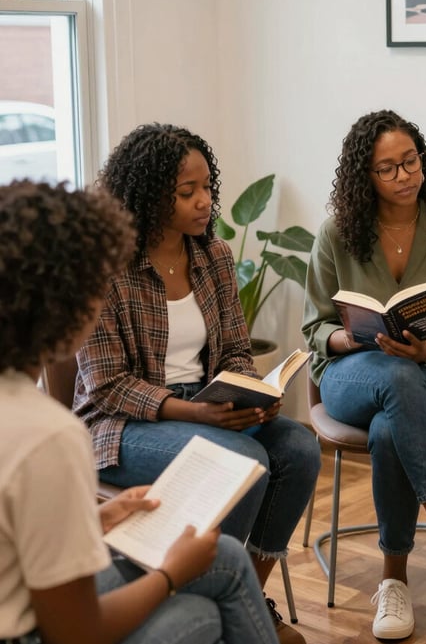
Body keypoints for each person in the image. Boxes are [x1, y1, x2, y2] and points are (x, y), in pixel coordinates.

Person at [0, 180, 280, 644]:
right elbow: (75, 632)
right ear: (66, 304)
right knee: (201, 609)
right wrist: (171, 574)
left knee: (221, 569)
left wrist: (95, 519)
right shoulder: (47, 435)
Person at [72, 123, 320, 644]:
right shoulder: (105, 268)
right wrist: (194, 413)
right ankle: (204, 594)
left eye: (208, 187)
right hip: (121, 424)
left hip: (207, 407)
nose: (205, 201)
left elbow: (233, 350)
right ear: (148, 195)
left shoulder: (214, 257)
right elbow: (107, 385)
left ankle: (248, 595)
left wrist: (254, 396)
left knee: (298, 446)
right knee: (244, 464)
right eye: (187, 193)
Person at [302, 109, 426, 640]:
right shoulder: (336, 233)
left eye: (411, 162)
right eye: (389, 168)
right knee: (392, 381)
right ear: (364, 177)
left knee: (393, 420)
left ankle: (394, 579)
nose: (405, 176)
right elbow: (314, 327)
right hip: (351, 373)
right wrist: (356, 337)